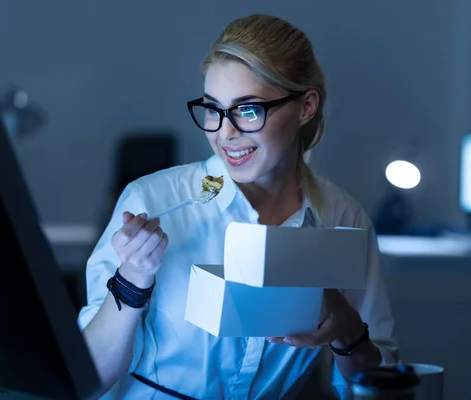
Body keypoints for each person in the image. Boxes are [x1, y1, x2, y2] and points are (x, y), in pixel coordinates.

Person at [78, 14, 398, 399]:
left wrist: (349, 335)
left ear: (306, 106)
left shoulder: (345, 220)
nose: (225, 133)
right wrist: (132, 279)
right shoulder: (152, 202)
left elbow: (385, 389)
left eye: (248, 110)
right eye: (213, 109)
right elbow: (89, 379)